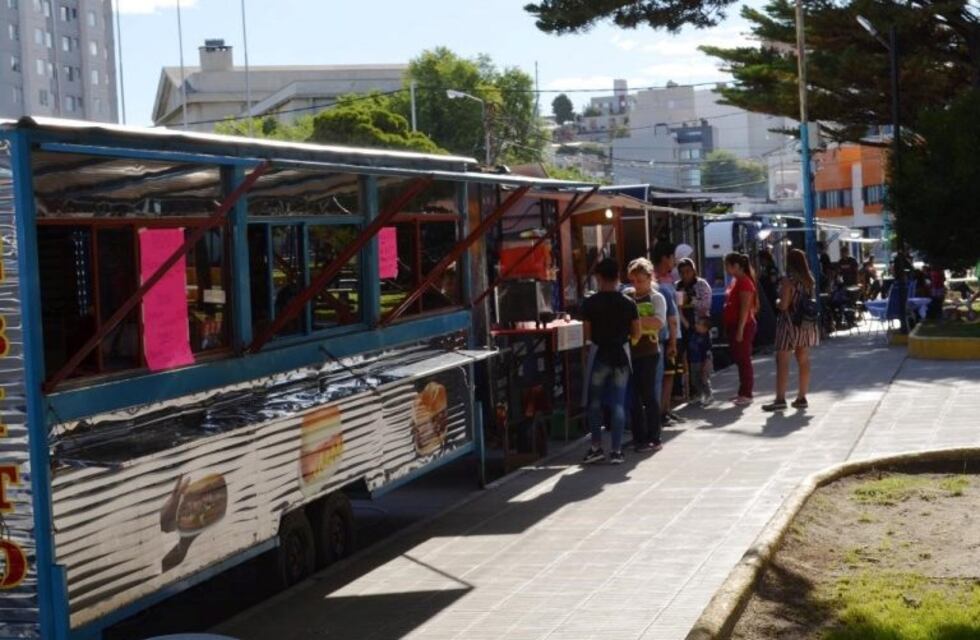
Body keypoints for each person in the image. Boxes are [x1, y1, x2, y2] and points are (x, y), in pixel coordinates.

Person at [580, 258, 640, 465]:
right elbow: (637, 332)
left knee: (594, 403)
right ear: (617, 276)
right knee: (618, 404)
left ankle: (596, 446)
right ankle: (616, 450)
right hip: (621, 356)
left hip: (599, 355)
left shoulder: (590, 303)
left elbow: (587, 335)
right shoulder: (629, 303)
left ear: (599, 277)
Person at [763, 249, 819, 412]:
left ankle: (780, 399)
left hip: (788, 324)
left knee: (782, 361)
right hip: (805, 324)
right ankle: (802, 397)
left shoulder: (788, 281)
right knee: (803, 360)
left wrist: (777, 301)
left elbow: (784, 305)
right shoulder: (810, 280)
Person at [626, 258, 666, 453]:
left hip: (649, 352)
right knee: (633, 397)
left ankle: (654, 437)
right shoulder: (628, 297)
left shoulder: (656, 298)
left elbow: (658, 322)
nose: (636, 285)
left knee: (648, 395)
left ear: (650, 278)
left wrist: (636, 321)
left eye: (640, 281)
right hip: (630, 352)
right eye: (633, 281)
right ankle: (638, 437)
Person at [676, 258, 714, 406]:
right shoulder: (677, 286)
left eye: (688, 271)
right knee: (689, 362)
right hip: (683, 328)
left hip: (699, 328)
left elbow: (706, 305)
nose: (685, 275)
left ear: (693, 270)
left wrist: (690, 300)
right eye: (682, 272)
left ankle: (706, 391)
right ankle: (694, 392)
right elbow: (676, 306)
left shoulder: (701, 284)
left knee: (701, 363)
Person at [652, 243, 682, 425]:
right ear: (665, 258)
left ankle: (666, 409)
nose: (674, 261)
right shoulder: (656, 282)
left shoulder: (670, 279)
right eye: (672, 257)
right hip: (666, 333)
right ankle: (660, 412)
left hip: (674, 331)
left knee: (670, 373)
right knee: (663, 374)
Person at [723, 253, 759, 406]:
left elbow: (745, 308)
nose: (726, 269)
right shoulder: (736, 281)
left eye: (727, 265)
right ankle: (742, 391)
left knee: (744, 359)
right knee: (740, 358)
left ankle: (746, 393)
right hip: (734, 325)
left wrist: (740, 329)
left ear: (736, 266)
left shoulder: (744, 282)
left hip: (742, 325)